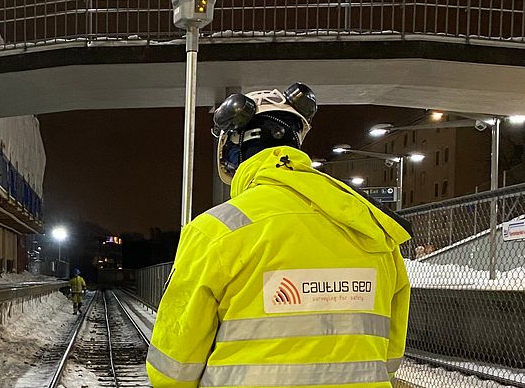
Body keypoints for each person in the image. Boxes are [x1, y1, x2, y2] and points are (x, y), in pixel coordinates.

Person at [146, 84, 413, 388]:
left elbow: (172, 370)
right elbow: (390, 358)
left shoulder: (215, 231)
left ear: (234, 151)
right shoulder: (373, 228)